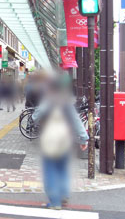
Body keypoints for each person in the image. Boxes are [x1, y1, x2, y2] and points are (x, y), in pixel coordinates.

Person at [31, 72, 88, 210]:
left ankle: (55, 202)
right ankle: (64, 194)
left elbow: (35, 116)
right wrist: (83, 138)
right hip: (65, 141)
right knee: (63, 169)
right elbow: (76, 121)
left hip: (49, 141)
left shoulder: (48, 100)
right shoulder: (66, 101)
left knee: (50, 170)